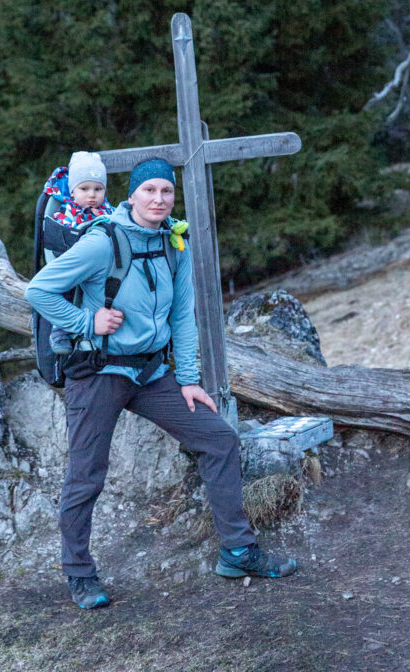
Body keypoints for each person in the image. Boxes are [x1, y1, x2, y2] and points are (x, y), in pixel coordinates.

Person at [25, 156, 296, 610]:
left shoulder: (174, 243)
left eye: (166, 191)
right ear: (131, 195)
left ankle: (237, 552)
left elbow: (182, 316)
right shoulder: (102, 242)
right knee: (86, 475)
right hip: (98, 371)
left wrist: (188, 379)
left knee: (219, 439)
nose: (158, 198)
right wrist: (87, 322)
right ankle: (79, 572)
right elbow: (38, 290)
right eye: (149, 190)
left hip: (150, 373)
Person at [42, 151, 115, 355]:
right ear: (73, 191)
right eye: (84, 189)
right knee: (64, 290)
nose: (92, 195)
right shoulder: (66, 212)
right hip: (72, 262)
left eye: (98, 189)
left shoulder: (108, 211)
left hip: (102, 265)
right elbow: (59, 236)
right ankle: (60, 330)